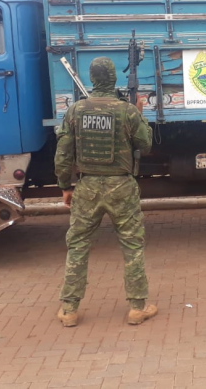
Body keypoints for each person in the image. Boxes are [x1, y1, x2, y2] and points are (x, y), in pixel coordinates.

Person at [54, 57, 155, 327]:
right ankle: (136, 307)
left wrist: (65, 186)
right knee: (132, 245)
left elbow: (62, 155)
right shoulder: (127, 111)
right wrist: (140, 114)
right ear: (113, 79)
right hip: (121, 186)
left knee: (77, 246)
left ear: (93, 78)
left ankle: (69, 309)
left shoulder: (75, 111)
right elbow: (145, 146)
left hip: (87, 187)